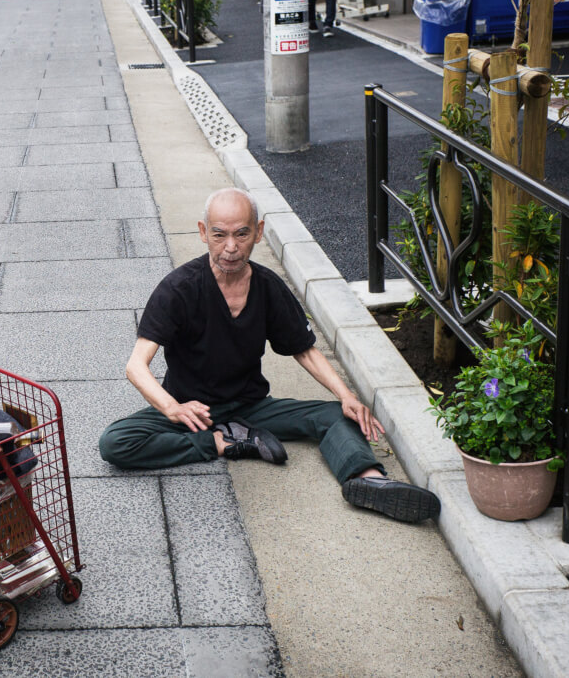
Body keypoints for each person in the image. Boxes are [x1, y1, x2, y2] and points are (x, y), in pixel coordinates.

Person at [98, 188, 442, 524]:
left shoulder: (268, 287)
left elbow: (304, 350)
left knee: (335, 415)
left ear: (258, 232)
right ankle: (222, 442)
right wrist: (174, 407)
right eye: (219, 235)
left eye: (241, 234)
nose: (230, 248)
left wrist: (346, 396)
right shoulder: (178, 289)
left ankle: (367, 479)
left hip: (251, 408)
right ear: (203, 233)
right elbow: (136, 366)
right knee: (116, 443)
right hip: (191, 410)